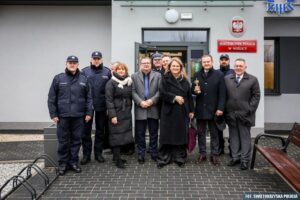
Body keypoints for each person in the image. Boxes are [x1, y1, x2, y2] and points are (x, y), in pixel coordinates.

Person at [47, 55, 93, 175]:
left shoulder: (84, 79)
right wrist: (53, 113)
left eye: (74, 62)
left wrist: (89, 112)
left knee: (76, 140)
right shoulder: (58, 78)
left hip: (79, 116)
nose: (72, 64)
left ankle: (73, 162)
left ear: (78, 64)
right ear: (66, 64)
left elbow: (89, 98)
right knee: (63, 141)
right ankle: (62, 164)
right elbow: (51, 98)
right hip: (63, 116)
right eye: (70, 62)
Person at [157, 57, 194, 169]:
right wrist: (174, 97)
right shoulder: (165, 78)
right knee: (167, 134)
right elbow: (162, 93)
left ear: (181, 67)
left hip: (182, 111)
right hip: (168, 111)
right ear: (169, 67)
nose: (175, 68)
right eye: (173, 66)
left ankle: (179, 157)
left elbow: (189, 97)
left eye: (177, 66)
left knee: (179, 134)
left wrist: (192, 110)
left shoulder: (185, 80)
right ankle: (165, 157)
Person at [225, 58, 260, 170]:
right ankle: (235, 157)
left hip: (245, 114)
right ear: (234, 67)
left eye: (241, 66)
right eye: (236, 66)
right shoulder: (227, 79)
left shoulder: (253, 79)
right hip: (231, 114)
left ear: (245, 67)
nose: (238, 68)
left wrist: (249, 109)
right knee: (233, 136)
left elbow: (256, 96)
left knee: (245, 137)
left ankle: (244, 160)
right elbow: (224, 95)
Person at [191, 54, 226, 166]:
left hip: (214, 109)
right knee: (201, 133)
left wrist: (220, 108)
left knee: (214, 134)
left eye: (208, 61)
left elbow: (222, 93)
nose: (206, 63)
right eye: (204, 62)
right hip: (201, 109)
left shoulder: (219, 74)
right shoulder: (197, 74)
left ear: (212, 62)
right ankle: (202, 154)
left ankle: (214, 155)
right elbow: (192, 90)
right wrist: (195, 91)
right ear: (201, 63)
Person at [80, 51, 111, 165]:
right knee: (86, 132)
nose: (96, 60)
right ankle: (86, 155)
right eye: (94, 58)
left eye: (98, 58)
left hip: (102, 106)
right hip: (87, 107)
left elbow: (109, 90)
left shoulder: (107, 72)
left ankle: (98, 154)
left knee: (100, 131)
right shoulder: (84, 71)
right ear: (91, 59)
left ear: (101, 60)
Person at [132, 57, 161, 164]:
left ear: (151, 64)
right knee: (140, 133)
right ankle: (141, 153)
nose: (146, 65)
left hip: (153, 107)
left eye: (148, 63)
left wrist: (152, 101)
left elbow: (159, 91)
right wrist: (140, 102)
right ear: (140, 64)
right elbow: (133, 91)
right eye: (144, 63)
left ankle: (154, 153)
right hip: (140, 108)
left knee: (154, 133)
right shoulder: (134, 76)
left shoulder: (158, 76)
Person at [105, 62, 134, 169]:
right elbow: (109, 100)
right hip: (116, 113)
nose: (121, 71)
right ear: (115, 71)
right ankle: (117, 159)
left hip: (125, 112)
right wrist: (113, 115)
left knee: (122, 136)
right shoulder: (111, 83)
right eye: (119, 69)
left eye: (123, 69)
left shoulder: (128, 81)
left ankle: (117, 157)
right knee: (116, 135)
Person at [217, 54, 234, 155]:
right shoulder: (216, 73)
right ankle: (220, 147)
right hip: (219, 105)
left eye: (226, 60)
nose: (224, 61)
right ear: (219, 61)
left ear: (229, 61)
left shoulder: (233, 72)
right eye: (222, 60)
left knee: (232, 128)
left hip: (230, 106)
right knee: (219, 128)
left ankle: (233, 148)